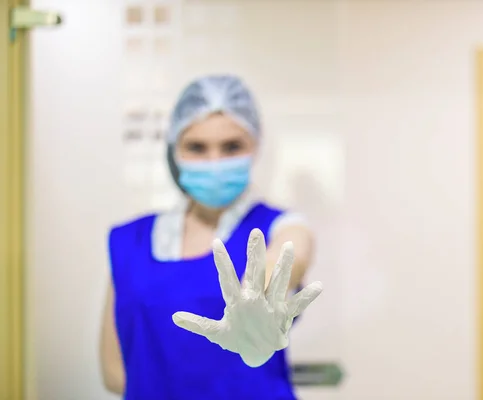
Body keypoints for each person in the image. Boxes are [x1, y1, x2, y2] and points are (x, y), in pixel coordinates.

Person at [99, 75, 323, 400]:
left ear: (256, 146)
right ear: (175, 150)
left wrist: (258, 295)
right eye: (197, 147)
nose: (215, 161)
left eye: (232, 146)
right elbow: (114, 372)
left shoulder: (279, 226)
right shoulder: (129, 242)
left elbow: (291, 256)